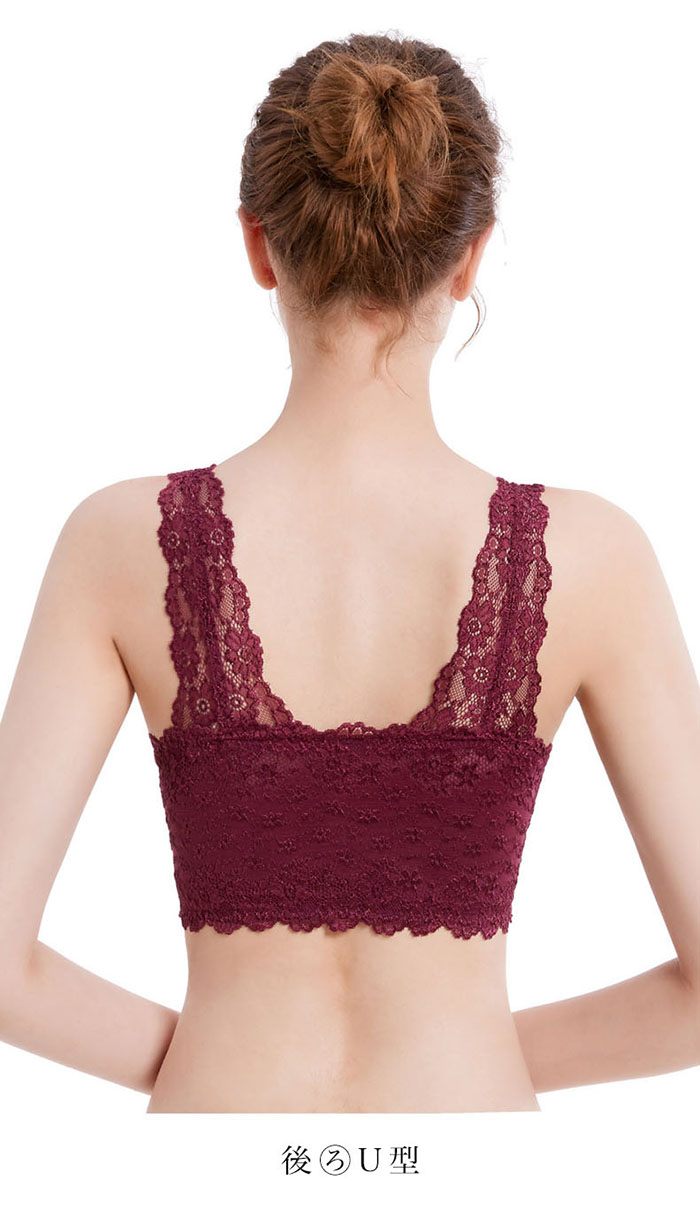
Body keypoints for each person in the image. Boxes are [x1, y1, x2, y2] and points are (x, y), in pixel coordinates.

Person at [0, 32, 698, 1115]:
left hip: (219, 1156)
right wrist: (475, 1057)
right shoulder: (594, 556)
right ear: (469, 258)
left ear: (258, 244)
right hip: (468, 1150)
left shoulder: (116, 541)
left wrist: (206, 1057)